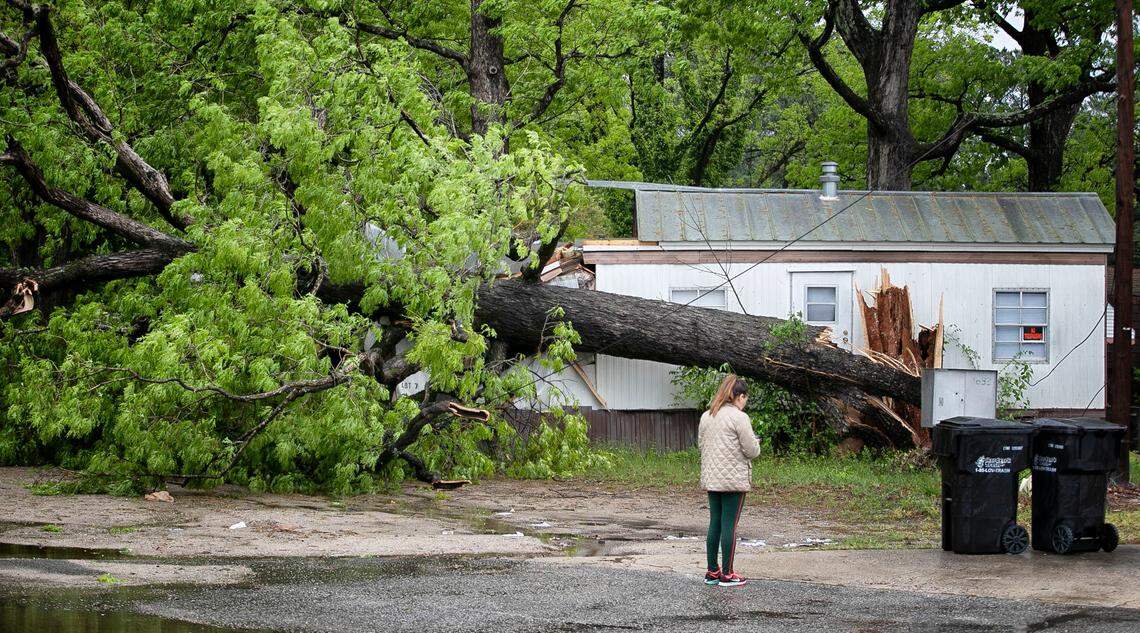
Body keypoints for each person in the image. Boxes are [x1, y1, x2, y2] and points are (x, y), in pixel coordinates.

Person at [698, 374, 760, 587]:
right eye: (745, 398)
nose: (745, 402)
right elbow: (751, 450)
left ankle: (712, 571)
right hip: (733, 480)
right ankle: (728, 573)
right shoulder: (739, 417)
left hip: (712, 478)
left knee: (715, 522)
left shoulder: (707, 415)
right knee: (729, 526)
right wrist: (756, 442)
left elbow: (701, 445)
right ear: (739, 396)